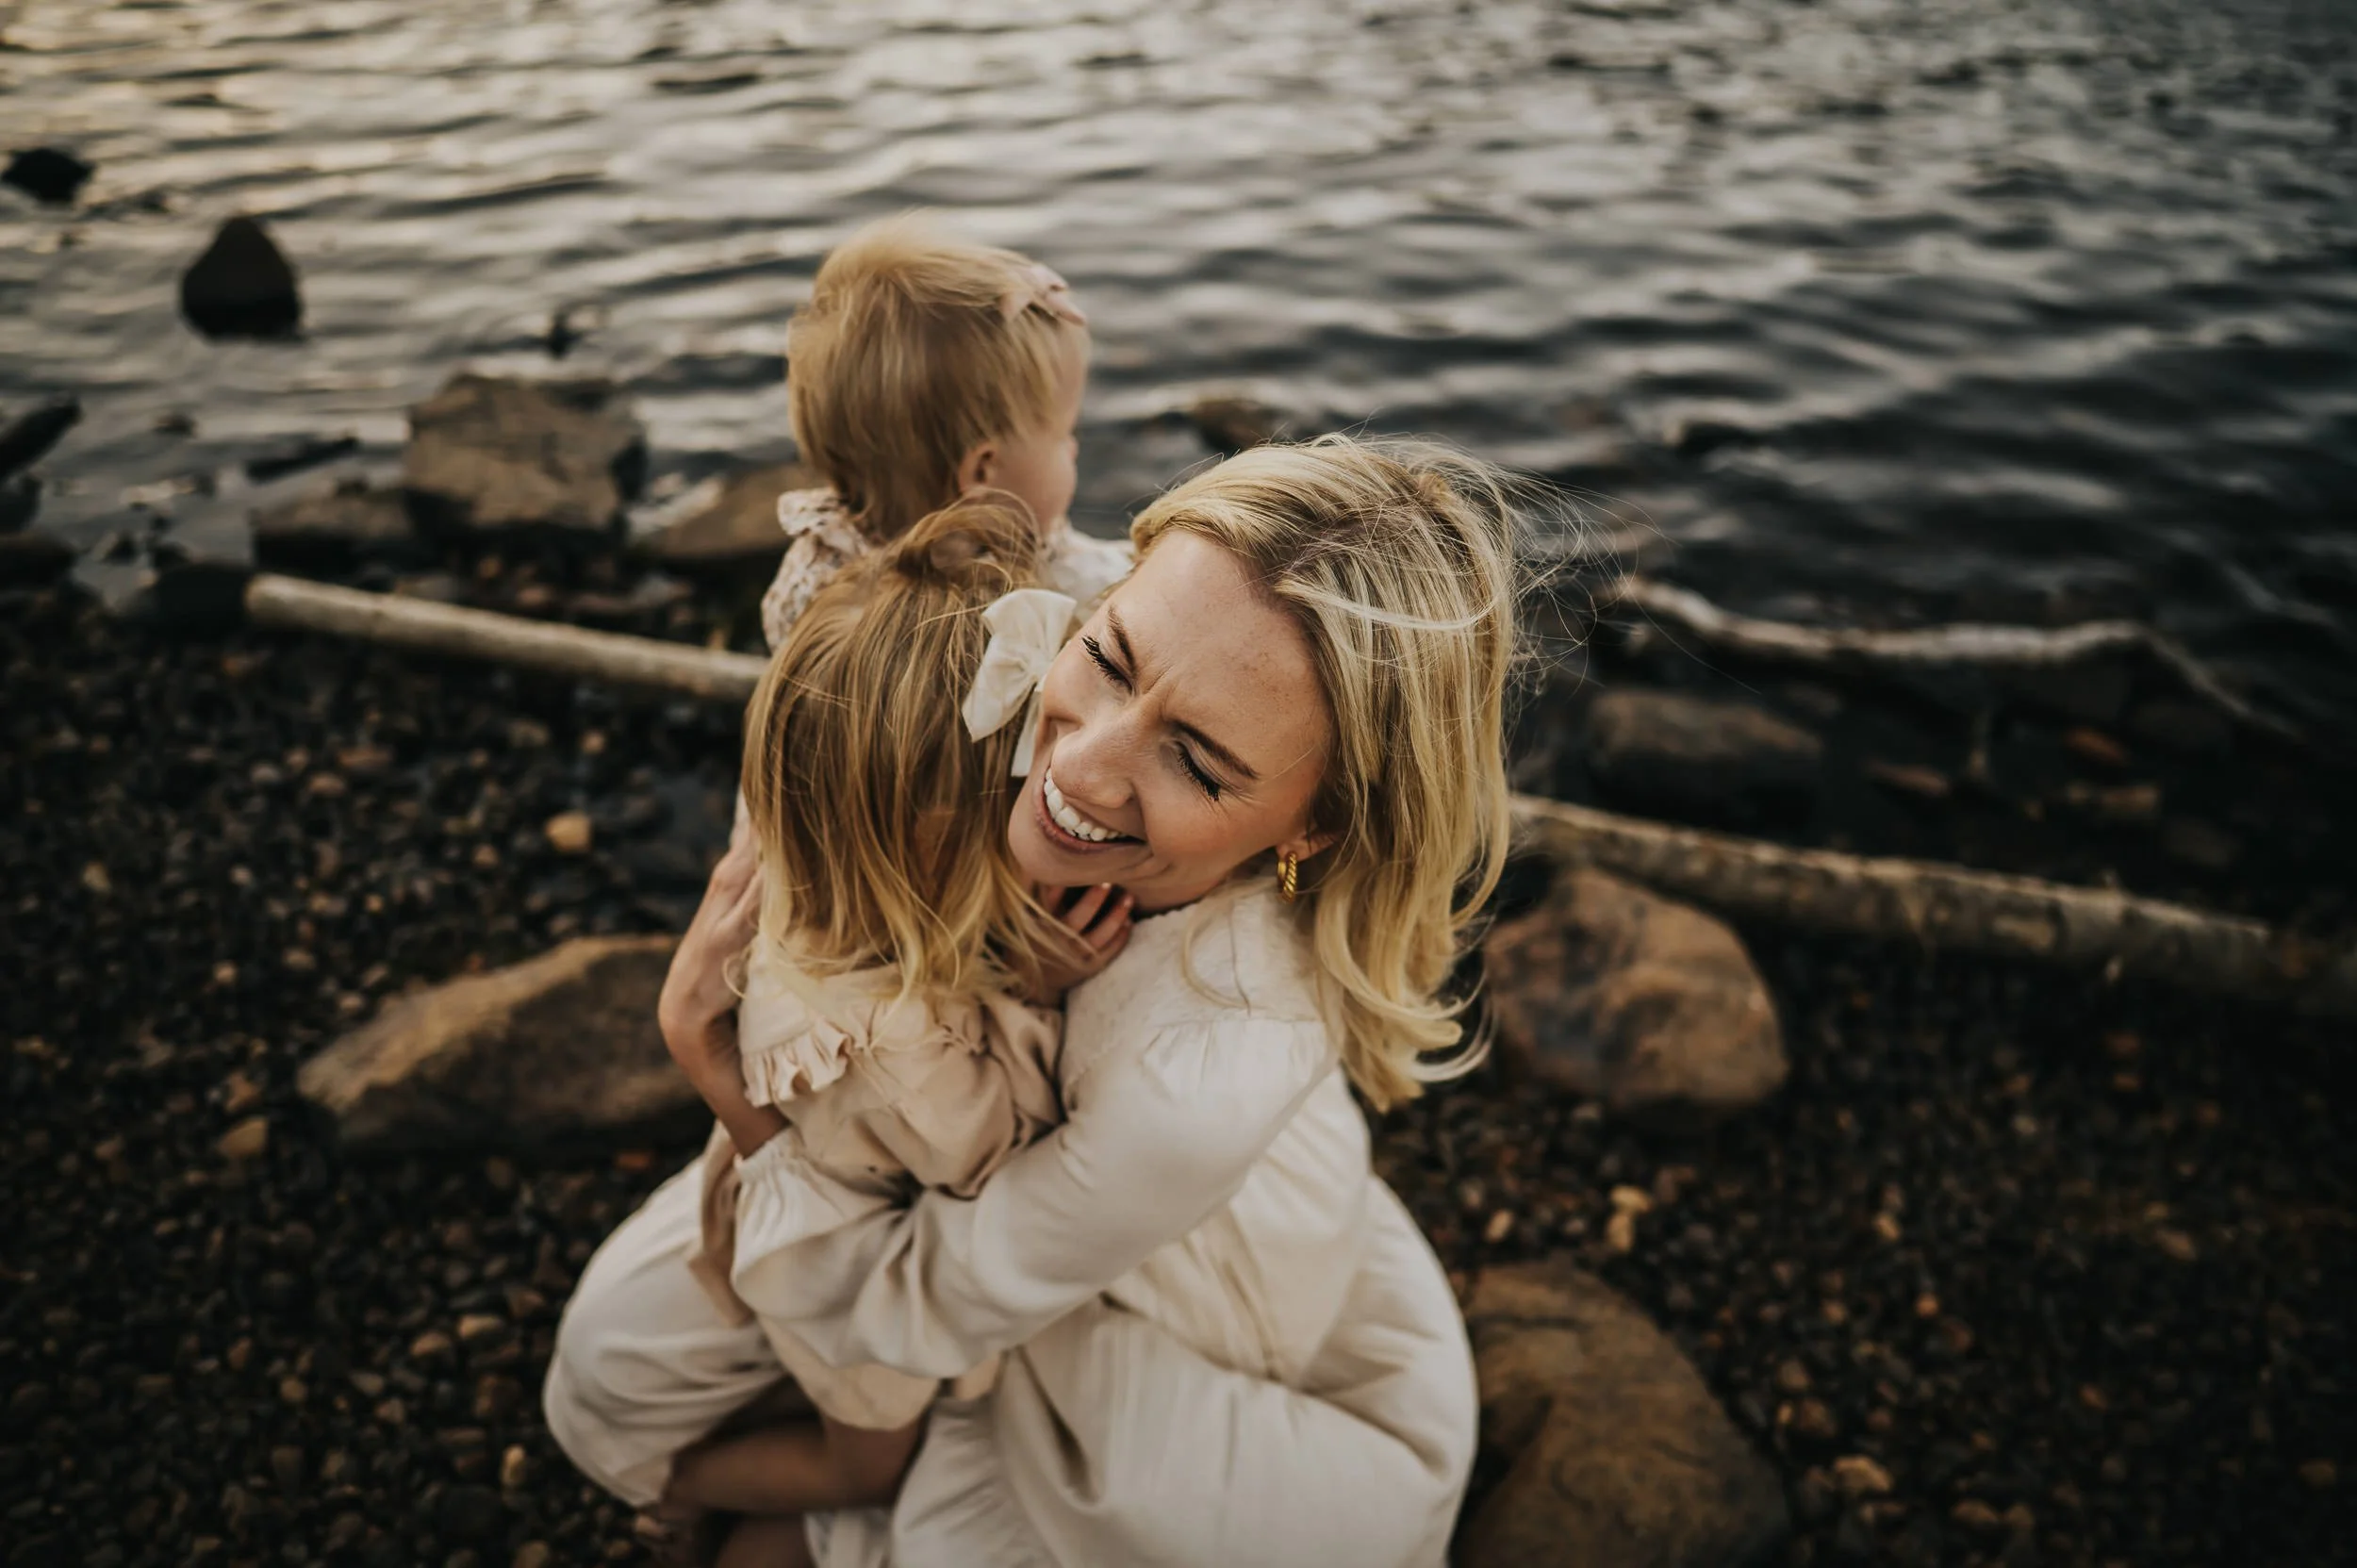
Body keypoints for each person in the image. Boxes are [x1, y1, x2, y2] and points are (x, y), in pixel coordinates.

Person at [547, 437, 1524, 1567]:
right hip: (971, 1137)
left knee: (730, 1469)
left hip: (1149, 1287)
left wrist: (724, 1081)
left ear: (1315, 828)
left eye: (1198, 764)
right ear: (1115, 583)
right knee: (604, 1368)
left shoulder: (1198, 1081)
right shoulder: (1145, 620)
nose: (1081, 770)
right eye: (1108, 655)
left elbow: (913, 1307)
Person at [659, 493, 1133, 1566]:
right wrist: (1041, 996)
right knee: (866, 1464)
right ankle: (682, 1482)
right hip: (838, 1259)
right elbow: (988, 1159)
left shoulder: (809, 868)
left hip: (809, 1162)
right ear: (944, 848)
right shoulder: (898, 1053)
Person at [754, 215, 1128, 653]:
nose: (1073, 448)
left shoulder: (817, 577)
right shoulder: (1020, 605)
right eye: (1063, 434)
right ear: (983, 471)